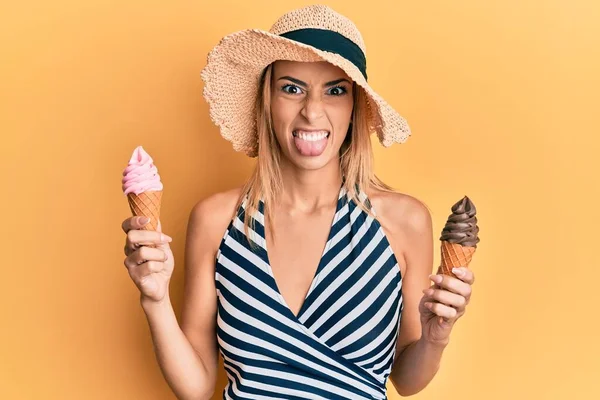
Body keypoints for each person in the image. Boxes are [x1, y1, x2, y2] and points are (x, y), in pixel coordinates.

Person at [121, 5, 475, 399]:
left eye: (335, 90)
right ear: (267, 101)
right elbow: (198, 385)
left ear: (355, 105)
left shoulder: (403, 221)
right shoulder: (215, 220)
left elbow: (406, 381)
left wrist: (436, 336)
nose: (311, 111)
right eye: (291, 88)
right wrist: (153, 298)